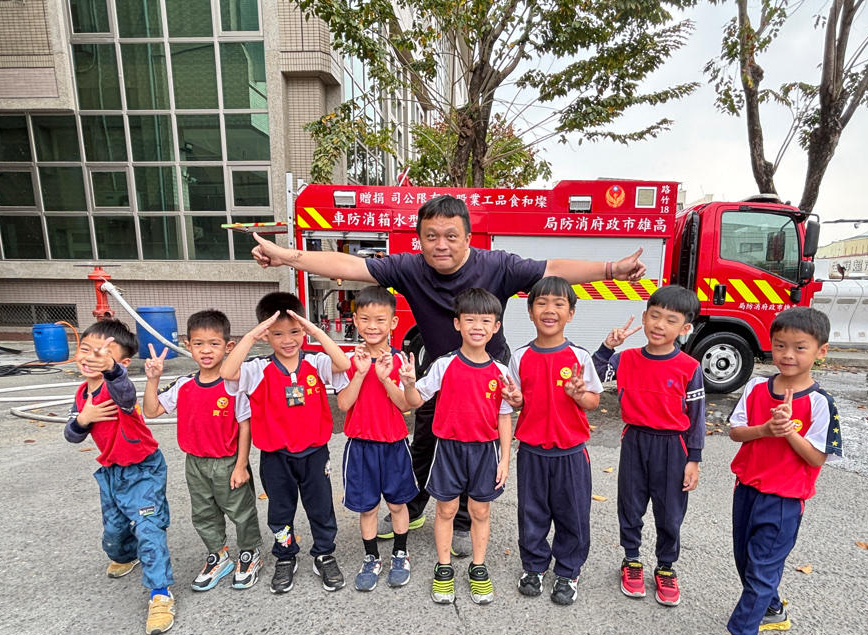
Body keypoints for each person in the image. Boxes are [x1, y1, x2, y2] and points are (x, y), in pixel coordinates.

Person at [249, 195, 646, 558]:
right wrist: (286, 256)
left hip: (487, 372)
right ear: (419, 239)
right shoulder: (410, 268)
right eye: (431, 236)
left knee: (479, 443)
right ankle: (415, 505)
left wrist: (613, 268)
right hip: (441, 369)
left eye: (451, 236)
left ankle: (463, 520)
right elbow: (351, 265)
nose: (441, 245)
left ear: (468, 237)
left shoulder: (497, 265)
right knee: (426, 437)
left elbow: (552, 269)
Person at [696, 306, 840, 635]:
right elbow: (735, 432)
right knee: (745, 561)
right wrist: (765, 429)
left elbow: (817, 457)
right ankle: (772, 608)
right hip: (747, 489)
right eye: (779, 345)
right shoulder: (757, 387)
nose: (788, 354)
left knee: (760, 568)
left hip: (785, 500)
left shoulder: (821, 403)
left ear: (821, 351)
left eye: (800, 347)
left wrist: (789, 431)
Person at [220, 292, 351, 595]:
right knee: (280, 511)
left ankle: (324, 554)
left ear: (303, 329)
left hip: (315, 453)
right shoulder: (257, 368)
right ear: (266, 334)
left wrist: (315, 330)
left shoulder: (316, 362)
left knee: (321, 508)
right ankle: (285, 556)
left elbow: (343, 363)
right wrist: (251, 336)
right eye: (277, 334)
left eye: (294, 331)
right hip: (275, 456)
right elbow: (227, 372)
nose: (288, 340)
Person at [399, 288, 513, 605]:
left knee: (480, 510)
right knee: (446, 509)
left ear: (496, 327)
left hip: (485, 451)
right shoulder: (443, 365)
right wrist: (409, 383)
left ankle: (478, 567)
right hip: (447, 449)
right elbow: (415, 400)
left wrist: (505, 459)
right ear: (457, 323)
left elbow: (505, 416)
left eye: (485, 321)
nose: (477, 326)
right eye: (470, 319)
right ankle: (444, 567)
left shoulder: (501, 372)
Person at [593, 286, 705, 606]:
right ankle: (631, 560)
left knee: (670, 513)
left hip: (673, 446)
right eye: (654, 316)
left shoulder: (689, 367)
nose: (659, 325)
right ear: (643, 317)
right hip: (635, 440)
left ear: (684, 328)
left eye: (670, 320)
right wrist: (606, 347)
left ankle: (666, 566)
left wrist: (694, 459)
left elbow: (696, 416)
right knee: (630, 505)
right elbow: (590, 377)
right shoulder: (625, 359)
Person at [63, 319, 175, 635]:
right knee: (113, 533)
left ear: (121, 363)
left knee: (148, 529)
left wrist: (111, 370)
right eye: (86, 349)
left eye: (102, 353)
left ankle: (160, 594)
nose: (91, 357)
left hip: (143, 469)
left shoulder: (117, 389)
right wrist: (83, 419)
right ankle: (125, 555)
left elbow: (125, 392)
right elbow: (72, 435)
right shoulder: (81, 394)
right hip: (112, 470)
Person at [142, 310, 263, 591]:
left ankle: (249, 552)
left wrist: (241, 465)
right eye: (198, 343)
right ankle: (218, 555)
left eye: (213, 343)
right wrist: (153, 379)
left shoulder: (234, 387)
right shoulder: (183, 385)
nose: (206, 350)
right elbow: (151, 410)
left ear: (228, 346)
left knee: (241, 510)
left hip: (227, 461)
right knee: (203, 513)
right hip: (195, 462)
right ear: (188, 345)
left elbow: (245, 426)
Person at [501, 276, 603, 606]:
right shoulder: (520, 357)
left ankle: (568, 571)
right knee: (531, 513)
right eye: (541, 303)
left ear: (570, 313)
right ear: (530, 311)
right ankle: (534, 566)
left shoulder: (579, 356)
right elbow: (517, 399)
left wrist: (579, 394)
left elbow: (593, 401)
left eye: (559, 304)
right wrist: (516, 400)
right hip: (531, 451)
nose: (549, 310)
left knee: (573, 515)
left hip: (571, 453)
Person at [334, 286, 418, 591]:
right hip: (360, 447)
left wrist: (386, 379)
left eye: (380, 320)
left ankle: (400, 554)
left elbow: (406, 405)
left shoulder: (400, 361)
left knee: (397, 504)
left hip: (394, 444)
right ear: (355, 320)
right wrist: (359, 374)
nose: (372, 326)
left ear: (393, 322)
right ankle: (371, 558)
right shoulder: (349, 361)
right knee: (367, 508)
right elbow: (343, 404)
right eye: (365, 319)